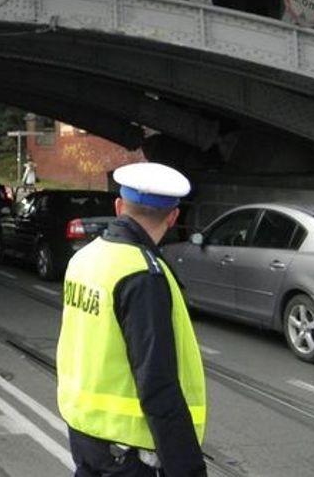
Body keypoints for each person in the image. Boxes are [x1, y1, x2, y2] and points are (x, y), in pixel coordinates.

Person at [56, 162, 207, 477]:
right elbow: (157, 381)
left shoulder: (85, 258)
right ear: (174, 216)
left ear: (119, 205)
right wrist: (188, 468)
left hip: (85, 432)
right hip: (129, 449)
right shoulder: (142, 274)